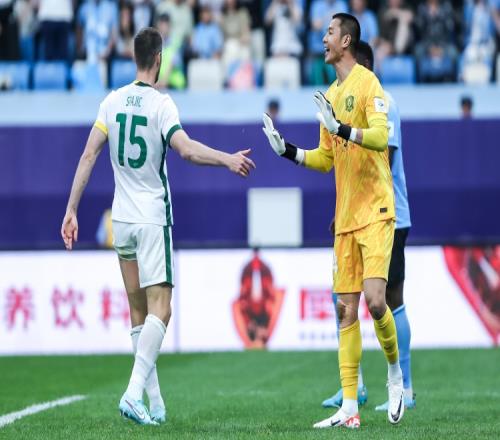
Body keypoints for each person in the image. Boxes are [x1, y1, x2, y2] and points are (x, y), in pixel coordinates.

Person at [61, 27, 255, 426]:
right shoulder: (161, 105)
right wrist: (227, 159)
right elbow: (185, 150)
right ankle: (134, 394)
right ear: (159, 59)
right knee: (161, 311)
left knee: (138, 312)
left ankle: (156, 402)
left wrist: (71, 210)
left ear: (134, 57)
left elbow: (88, 155)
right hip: (151, 217)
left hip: (121, 219)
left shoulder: (111, 101)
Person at [262, 13, 404, 429]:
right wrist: (287, 151)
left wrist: (340, 127)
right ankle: (349, 407)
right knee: (346, 310)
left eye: (329, 32)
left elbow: (380, 136)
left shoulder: (368, 84)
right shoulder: (328, 95)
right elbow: (326, 159)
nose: (323, 39)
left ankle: (395, 373)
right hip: (345, 219)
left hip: (376, 211)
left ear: (346, 41)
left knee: (376, 301)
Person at [321, 40, 415, 412]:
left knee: (388, 300)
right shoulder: (344, 100)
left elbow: (381, 160)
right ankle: (354, 388)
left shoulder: (383, 102)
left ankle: (405, 386)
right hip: (357, 214)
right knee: (345, 300)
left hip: (387, 215)